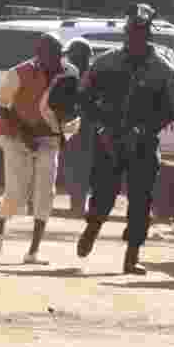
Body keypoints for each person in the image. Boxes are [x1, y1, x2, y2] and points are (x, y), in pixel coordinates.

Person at [76, 3, 174, 274]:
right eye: (130, 31)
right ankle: (92, 227)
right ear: (125, 33)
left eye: (140, 31)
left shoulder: (163, 69)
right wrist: (100, 127)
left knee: (141, 201)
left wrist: (146, 130)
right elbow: (85, 97)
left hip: (143, 144)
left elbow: (172, 108)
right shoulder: (105, 62)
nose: (134, 36)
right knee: (103, 193)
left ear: (148, 34)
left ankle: (132, 255)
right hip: (108, 139)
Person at [0, 33, 78, 264]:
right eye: (53, 55)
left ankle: (33, 251)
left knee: (45, 192)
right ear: (39, 55)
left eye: (60, 55)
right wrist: (22, 131)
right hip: (18, 139)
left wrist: (66, 128)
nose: (58, 60)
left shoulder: (69, 73)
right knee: (16, 193)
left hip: (49, 140)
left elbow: (72, 106)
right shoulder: (18, 73)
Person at [63, 38, 95, 215]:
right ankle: (77, 203)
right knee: (75, 164)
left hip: (85, 127)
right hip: (72, 125)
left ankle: (78, 204)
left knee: (80, 165)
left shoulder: (89, 76)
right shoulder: (68, 74)